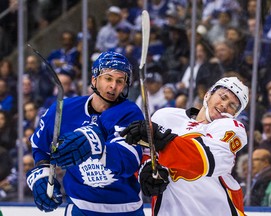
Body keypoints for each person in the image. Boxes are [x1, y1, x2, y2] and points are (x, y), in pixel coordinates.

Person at [26, 51, 145, 215]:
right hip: (80, 208)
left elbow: (129, 160)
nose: (113, 86)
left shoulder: (130, 113)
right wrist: (42, 173)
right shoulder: (64, 109)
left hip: (125, 208)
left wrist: (94, 144)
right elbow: (40, 147)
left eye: (120, 81)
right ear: (94, 80)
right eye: (108, 78)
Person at [121, 76, 249, 215]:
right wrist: (146, 171)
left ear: (235, 114)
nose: (224, 105)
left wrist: (161, 137)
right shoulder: (165, 117)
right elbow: (146, 154)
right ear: (208, 95)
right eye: (223, 97)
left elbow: (204, 159)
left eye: (232, 106)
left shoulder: (233, 128)